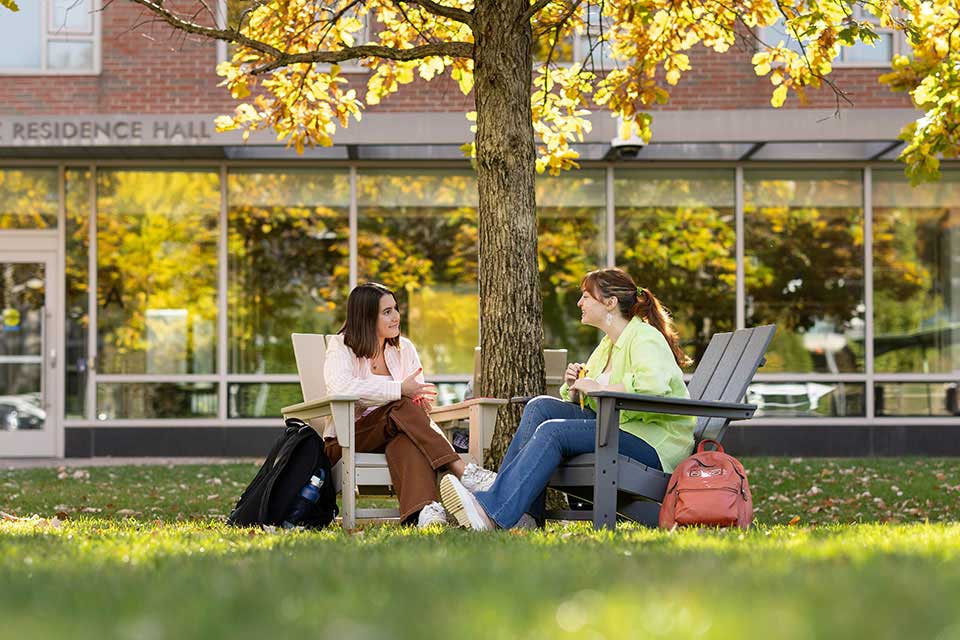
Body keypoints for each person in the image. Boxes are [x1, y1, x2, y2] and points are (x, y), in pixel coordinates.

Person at [439, 267, 695, 530]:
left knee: (554, 432)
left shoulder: (645, 337)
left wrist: (596, 386)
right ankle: (525, 516)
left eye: (586, 296)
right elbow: (593, 393)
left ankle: (492, 511)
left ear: (610, 302)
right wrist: (574, 387)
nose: (579, 303)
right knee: (540, 406)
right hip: (619, 428)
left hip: (653, 443)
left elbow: (652, 387)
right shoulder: (608, 344)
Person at [322, 282, 495, 528]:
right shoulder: (341, 347)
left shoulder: (405, 349)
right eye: (387, 312)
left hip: (395, 434)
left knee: (405, 437)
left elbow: (413, 397)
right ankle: (462, 471)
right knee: (399, 404)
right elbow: (341, 389)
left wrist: (419, 404)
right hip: (348, 437)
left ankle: (425, 514)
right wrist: (400, 390)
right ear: (366, 317)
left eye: (395, 309)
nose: (396, 317)